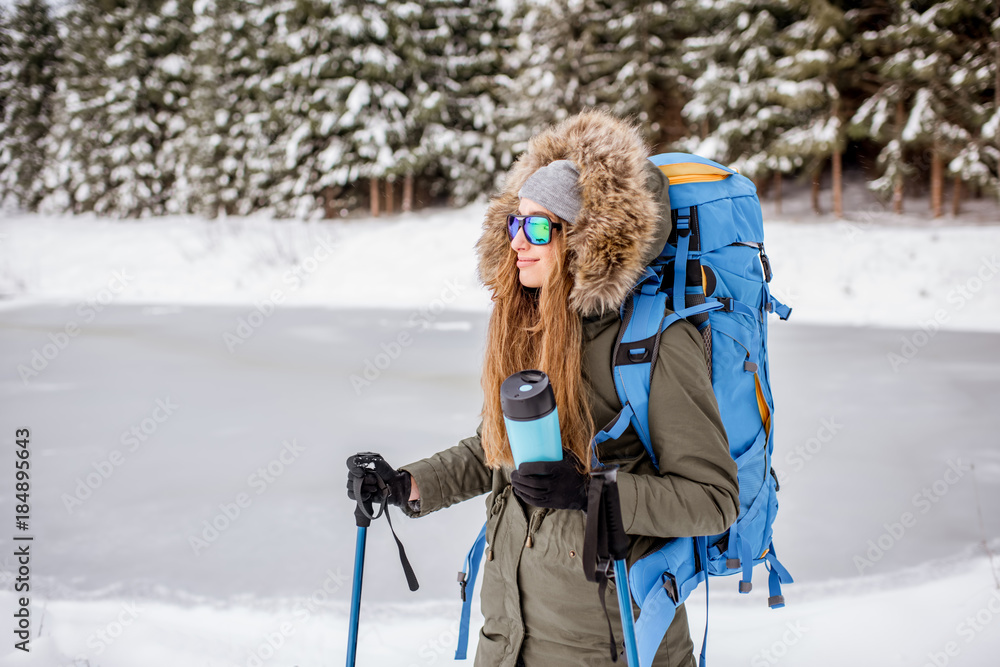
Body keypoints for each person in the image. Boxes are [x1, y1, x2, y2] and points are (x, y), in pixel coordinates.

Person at [347, 109, 739, 666]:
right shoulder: (533, 331)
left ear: (581, 239)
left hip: (613, 646)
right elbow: (496, 453)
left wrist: (589, 493)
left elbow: (713, 501)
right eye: (514, 223)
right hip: (509, 640)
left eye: (538, 227)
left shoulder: (655, 344)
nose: (518, 244)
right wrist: (404, 484)